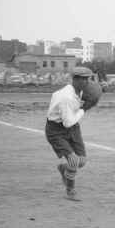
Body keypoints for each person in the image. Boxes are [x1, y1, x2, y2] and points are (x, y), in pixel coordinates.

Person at [45, 67, 94, 201]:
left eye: (88, 79)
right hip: (56, 130)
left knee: (82, 161)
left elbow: (72, 119)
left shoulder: (78, 91)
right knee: (73, 160)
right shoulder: (66, 97)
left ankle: (63, 169)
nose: (87, 82)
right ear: (75, 80)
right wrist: (84, 109)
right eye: (84, 79)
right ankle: (70, 190)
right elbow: (67, 122)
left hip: (73, 128)